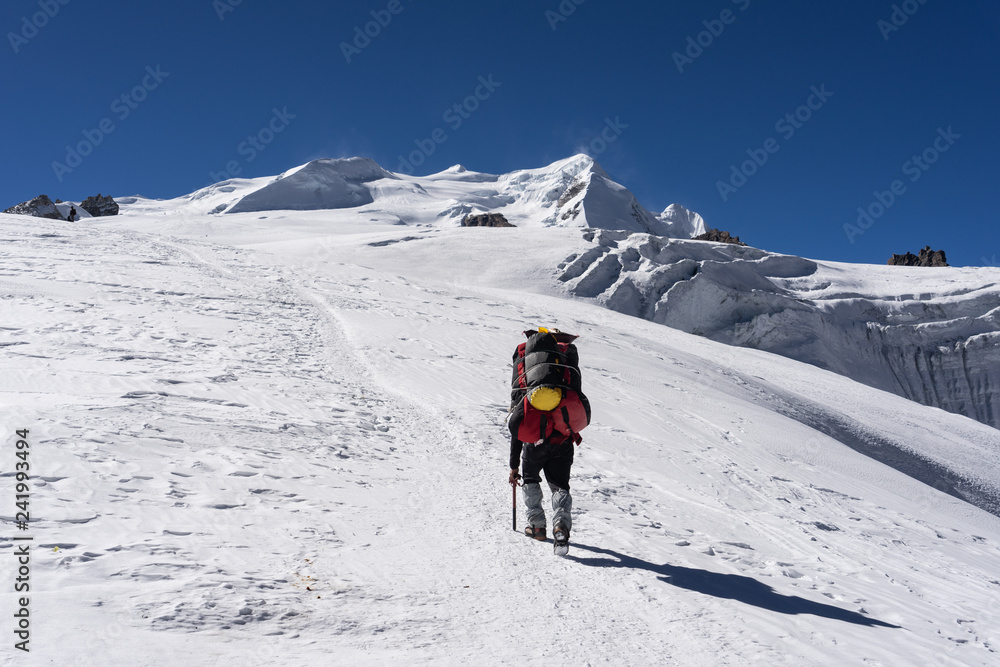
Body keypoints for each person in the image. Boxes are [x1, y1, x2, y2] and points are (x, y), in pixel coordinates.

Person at [507, 328, 590, 554]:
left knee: (531, 480)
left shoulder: (528, 380)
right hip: (563, 440)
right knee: (560, 486)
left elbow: (517, 426)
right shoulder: (564, 373)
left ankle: (537, 527)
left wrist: (514, 466)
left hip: (534, 443)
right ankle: (560, 525)